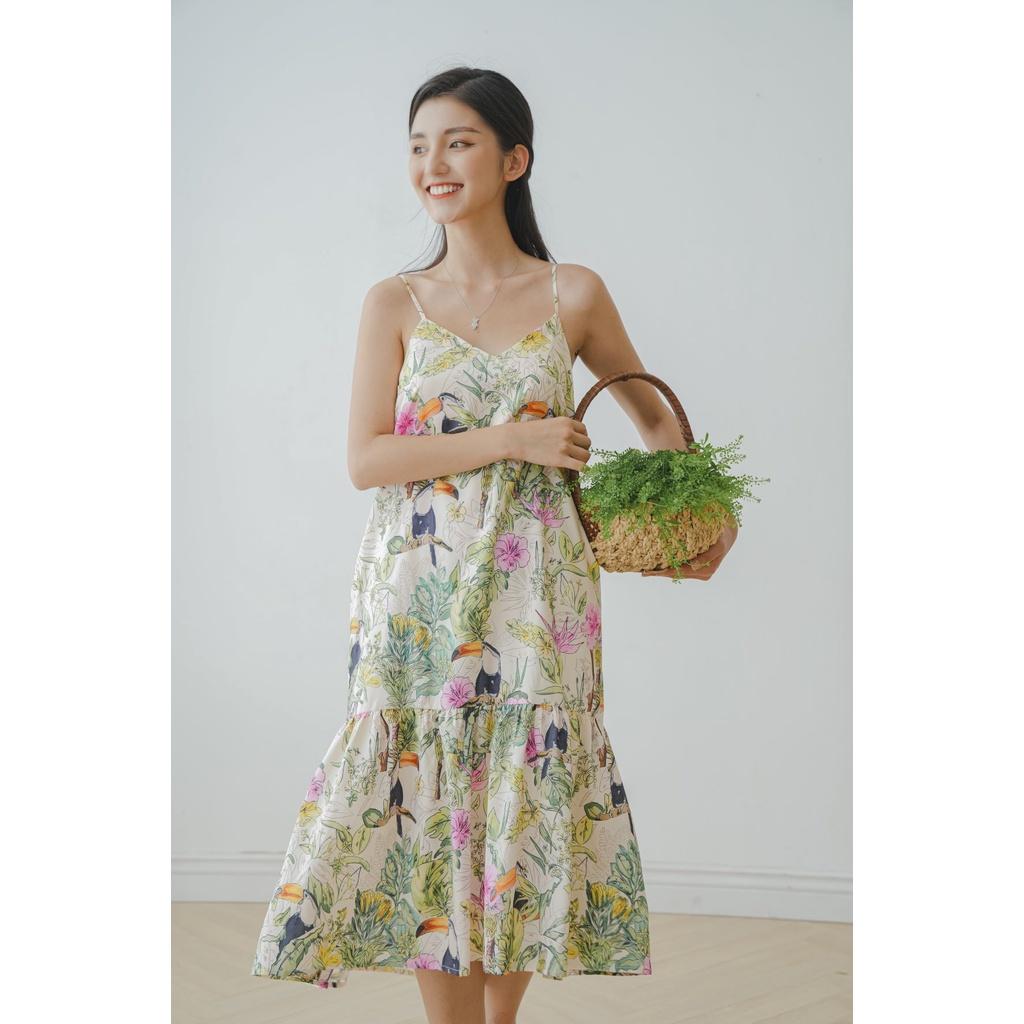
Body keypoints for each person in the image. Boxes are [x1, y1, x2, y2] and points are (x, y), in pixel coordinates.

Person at [251, 65, 737, 1024]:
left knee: (525, 783)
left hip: (540, 588)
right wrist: (513, 438)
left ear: (514, 160)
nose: (433, 162)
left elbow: (654, 419)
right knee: (428, 791)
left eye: (459, 141)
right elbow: (367, 459)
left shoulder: (573, 293)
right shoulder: (393, 302)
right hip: (415, 591)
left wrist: (699, 510)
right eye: (418, 145)